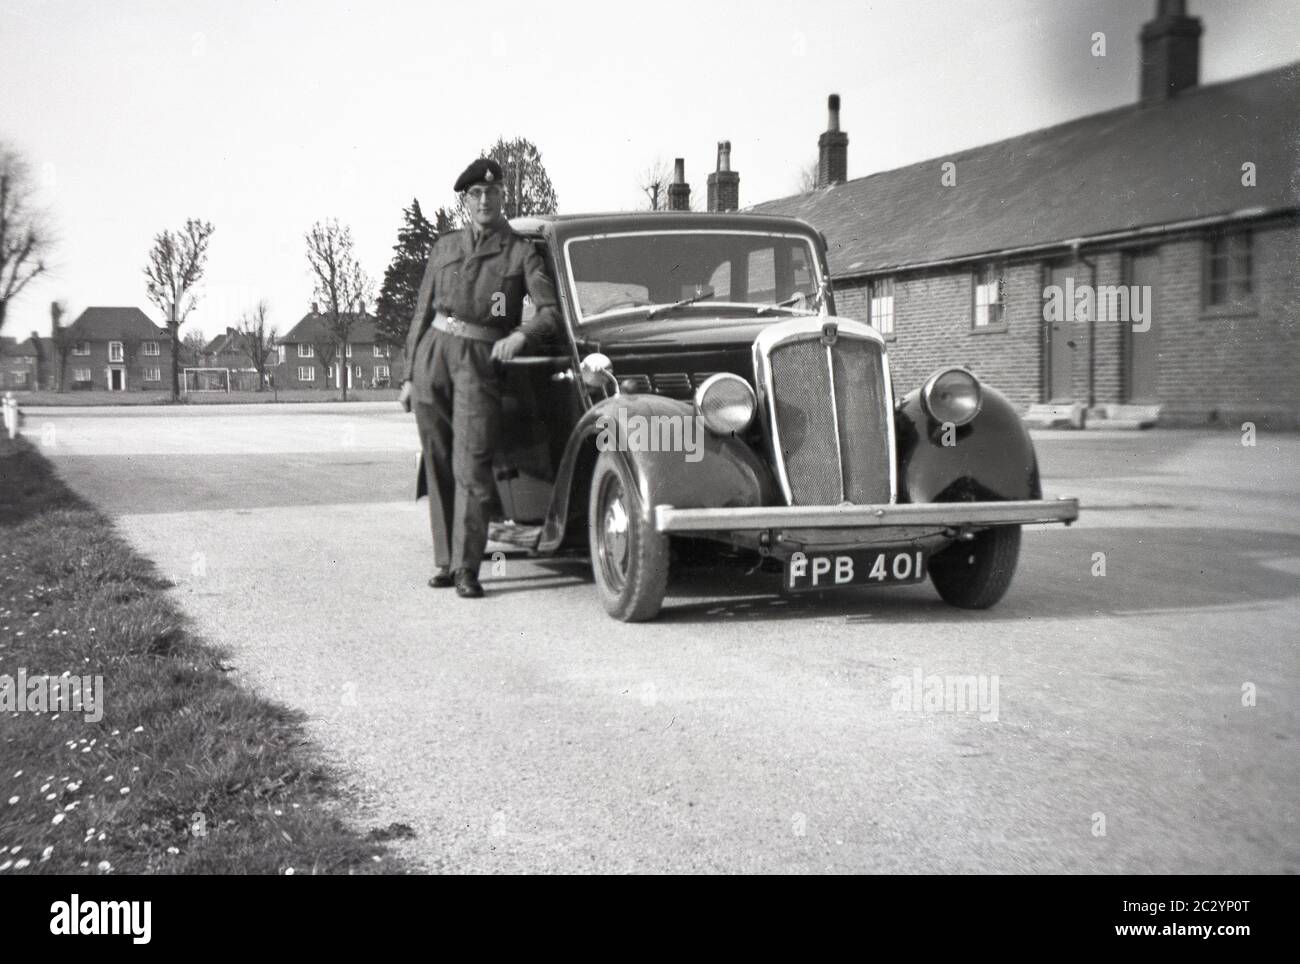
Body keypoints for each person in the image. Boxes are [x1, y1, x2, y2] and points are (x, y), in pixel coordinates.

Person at [400, 158, 560, 598]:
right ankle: (445, 562)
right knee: (437, 461)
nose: (484, 200)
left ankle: (468, 568)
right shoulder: (445, 247)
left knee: (471, 465)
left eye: (492, 193)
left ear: (502, 196)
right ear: (465, 201)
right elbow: (421, 311)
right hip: (434, 356)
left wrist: (522, 335)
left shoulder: (519, 251)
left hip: (479, 362)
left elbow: (549, 312)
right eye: (476, 194)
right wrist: (409, 375)